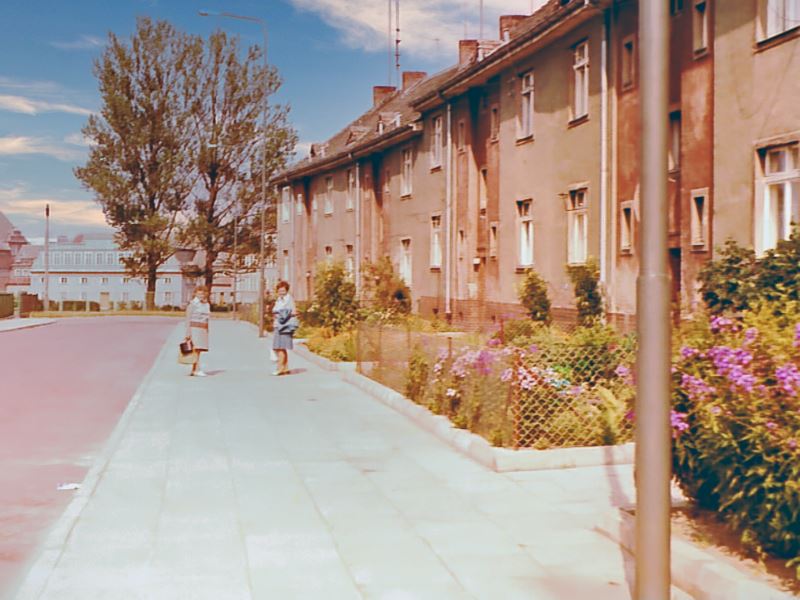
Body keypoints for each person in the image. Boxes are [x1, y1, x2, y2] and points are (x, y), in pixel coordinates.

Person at [185, 285, 210, 377]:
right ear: (195, 294)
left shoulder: (206, 304)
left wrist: (207, 329)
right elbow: (188, 318)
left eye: (202, 294)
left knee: (199, 350)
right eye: (199, 294)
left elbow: (207, 318)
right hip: (194, 328)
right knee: (195, 349)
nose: (201, 296)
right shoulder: (192, 304)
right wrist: (188, 332)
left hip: (202, 329)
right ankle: (197, 369)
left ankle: (194, 369)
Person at [272, 280, 296, 376]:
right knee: (281, 347)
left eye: (283, 291)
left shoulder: (288, 300)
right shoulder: (280, 299)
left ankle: (279, 368)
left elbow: (291, 312)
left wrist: (278, 314)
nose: (281, 292)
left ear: (287, 290)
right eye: (279, 290)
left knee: (280, 347)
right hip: (279, 325)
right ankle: (285, 368)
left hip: (284, 326)